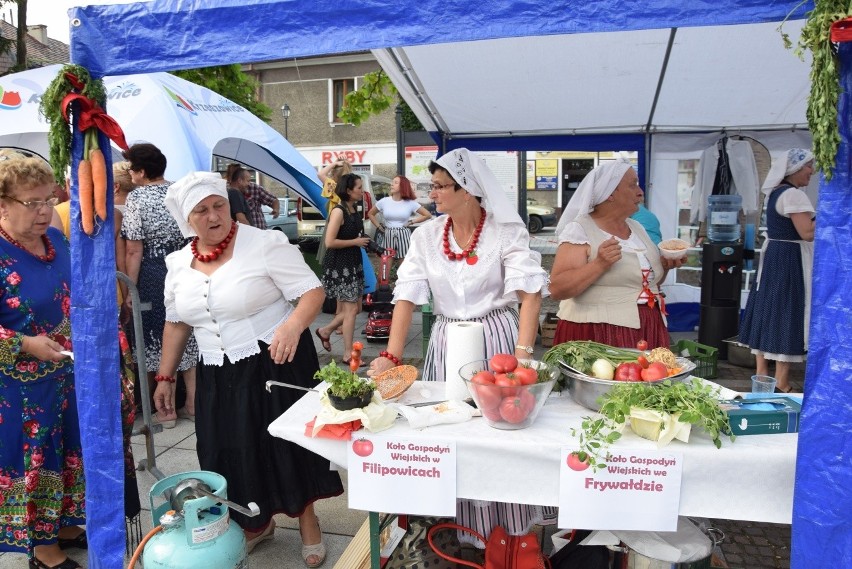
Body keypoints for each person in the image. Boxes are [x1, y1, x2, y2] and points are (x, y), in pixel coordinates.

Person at [154, 172, 342, 567]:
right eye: (201, 211)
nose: (213, 216)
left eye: (218, 205)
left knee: (285, 446)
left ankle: (309, 522)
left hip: (275, 360)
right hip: (216, 371)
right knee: (227, 448)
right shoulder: (178, 263)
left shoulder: (264, 243)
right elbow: (176, 323)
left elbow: (312, 291)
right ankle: (257, 523)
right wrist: (165, 376)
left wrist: (292, 325)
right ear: (186, 220)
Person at [368, 148, 549, 547]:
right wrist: (391, 357)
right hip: (448, 341)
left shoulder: (505, 232)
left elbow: (530, 292)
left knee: (498, 431)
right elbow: (406, 296)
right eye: (430, 187)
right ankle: (463, 529)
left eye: (438, 186)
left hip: (497, 339)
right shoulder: (427, 236)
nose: (431, 194)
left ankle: (509, 530)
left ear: (466, 189)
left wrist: (522, 354)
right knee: (451, 428)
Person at [0, 157, 85, 569]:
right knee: (37, 459)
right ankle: (43, 550)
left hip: (68, 376)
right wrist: (25, 344)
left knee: (71, 451)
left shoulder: (57, 239)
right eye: (32, 202)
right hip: (20, 389)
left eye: (48, 200)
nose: (44, 210)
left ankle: (66, 526)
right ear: (3, 205)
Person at [549, 159, 684, 349]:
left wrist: (666, 266)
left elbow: (649, 284)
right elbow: (557, 289)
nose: (640, 192)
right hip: (598, 333)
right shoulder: (580, 229)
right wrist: (599, 264)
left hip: (648, 326)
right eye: (632, 185)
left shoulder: (636, 228)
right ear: (610, 193)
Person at [120, 143, 197, 427]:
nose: (129, 173)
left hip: (154, 273)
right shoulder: (179, 191)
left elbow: (133, 249)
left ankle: (166, 411)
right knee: (188, 332)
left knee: (160, 338)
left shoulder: (137, 198)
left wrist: (130, 288)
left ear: (141, 171)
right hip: (187, 267)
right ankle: (193, 402)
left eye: (131, 168)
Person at [739, 148, 815, 393]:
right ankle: (781, 382)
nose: (811, 171)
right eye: (808, 166)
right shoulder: (793, 195)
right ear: (794, 168)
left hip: (774, 256)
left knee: (768, 309)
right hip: (789, 258)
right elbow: (808, 232)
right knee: (786, 311)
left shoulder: (776, 193)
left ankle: (762, 376)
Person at [314, 173, 370, 364]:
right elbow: (329, 242)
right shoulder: (338, 211)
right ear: (348, 190)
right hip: (340, 266)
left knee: (354, 309)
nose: (362, 191)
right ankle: (347, 353)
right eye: (359, 188)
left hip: (352, 263)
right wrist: (356, 241)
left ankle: (326, 330)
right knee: (352, 309)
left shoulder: (353, 209)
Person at [367, 174, 432, 258]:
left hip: (404, 234)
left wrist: (411, 222)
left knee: (404, 266)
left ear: (403, 186)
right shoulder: (384, 201)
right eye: (392, 182)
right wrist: (378, 226)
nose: (392, 184)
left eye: (396, 182)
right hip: (388, 234)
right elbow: (370, 213)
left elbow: (427, 215)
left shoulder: (410, 203)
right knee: (385, 264)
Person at [227, 164, 279, 229]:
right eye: (248, 181)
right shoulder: (233, 192)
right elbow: (241, 219)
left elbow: (273, 200)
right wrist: (251, 233)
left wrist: (276, 209)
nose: (249, 183)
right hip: (251, 234)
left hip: (258, 230)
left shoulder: (253, 188)